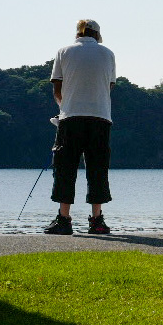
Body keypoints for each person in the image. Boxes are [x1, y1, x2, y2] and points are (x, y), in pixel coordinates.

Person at [43, 19, 117, 235]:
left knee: (65, 168)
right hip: (100, 118)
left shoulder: (63, 51)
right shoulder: (108, 53)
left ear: (77, 33)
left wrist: (64, 106)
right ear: (97, 34)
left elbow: (57, 88)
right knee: (98, 168)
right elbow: (108, 87)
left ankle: (64, 219)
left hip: (71, 118)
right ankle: (97, 220)